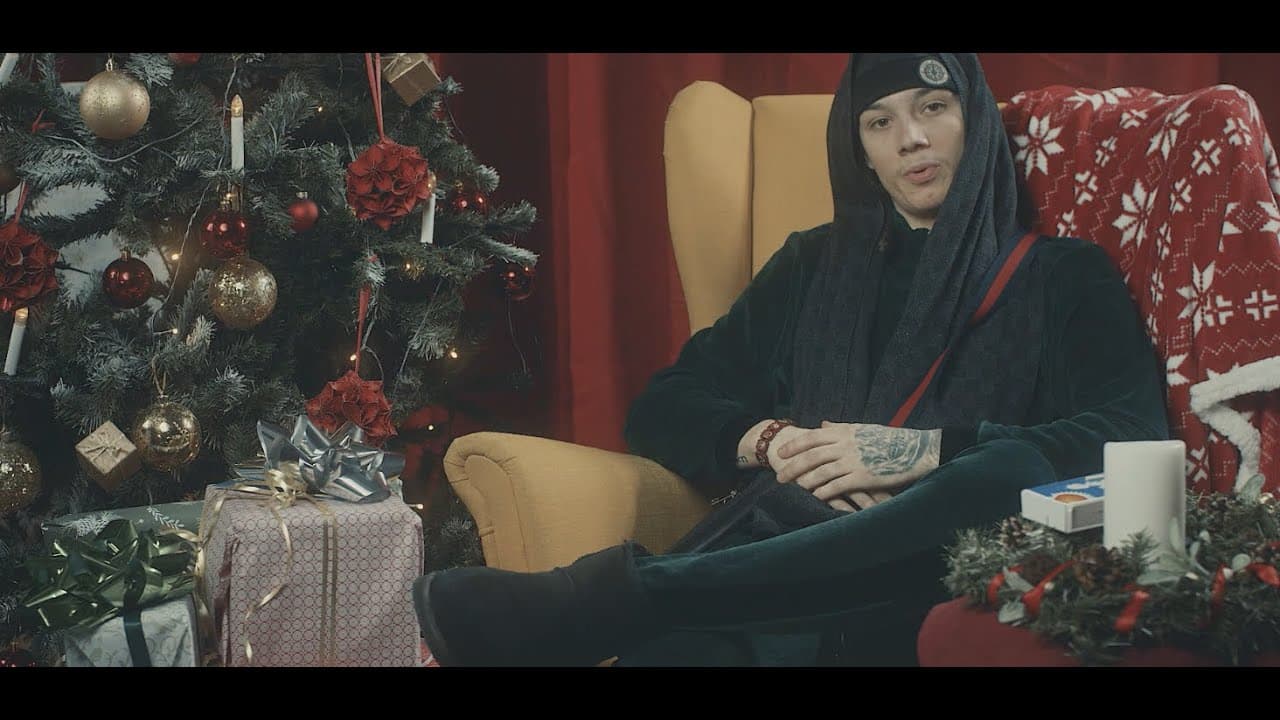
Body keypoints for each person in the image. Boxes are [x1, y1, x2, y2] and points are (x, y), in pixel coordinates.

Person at [411, 52, 1170, 666]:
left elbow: (1131, 432)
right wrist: (776, 442)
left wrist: (914, 454)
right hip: (773, 571)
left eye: (933, 107)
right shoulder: (811, 266)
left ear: (973, 118)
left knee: (1006, 470)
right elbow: (665, 405)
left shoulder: (1063, 275)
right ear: (859, 148)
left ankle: (621, 596)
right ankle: (645, 602)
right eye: (880, 121)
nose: (911, 138)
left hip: (938, 576)